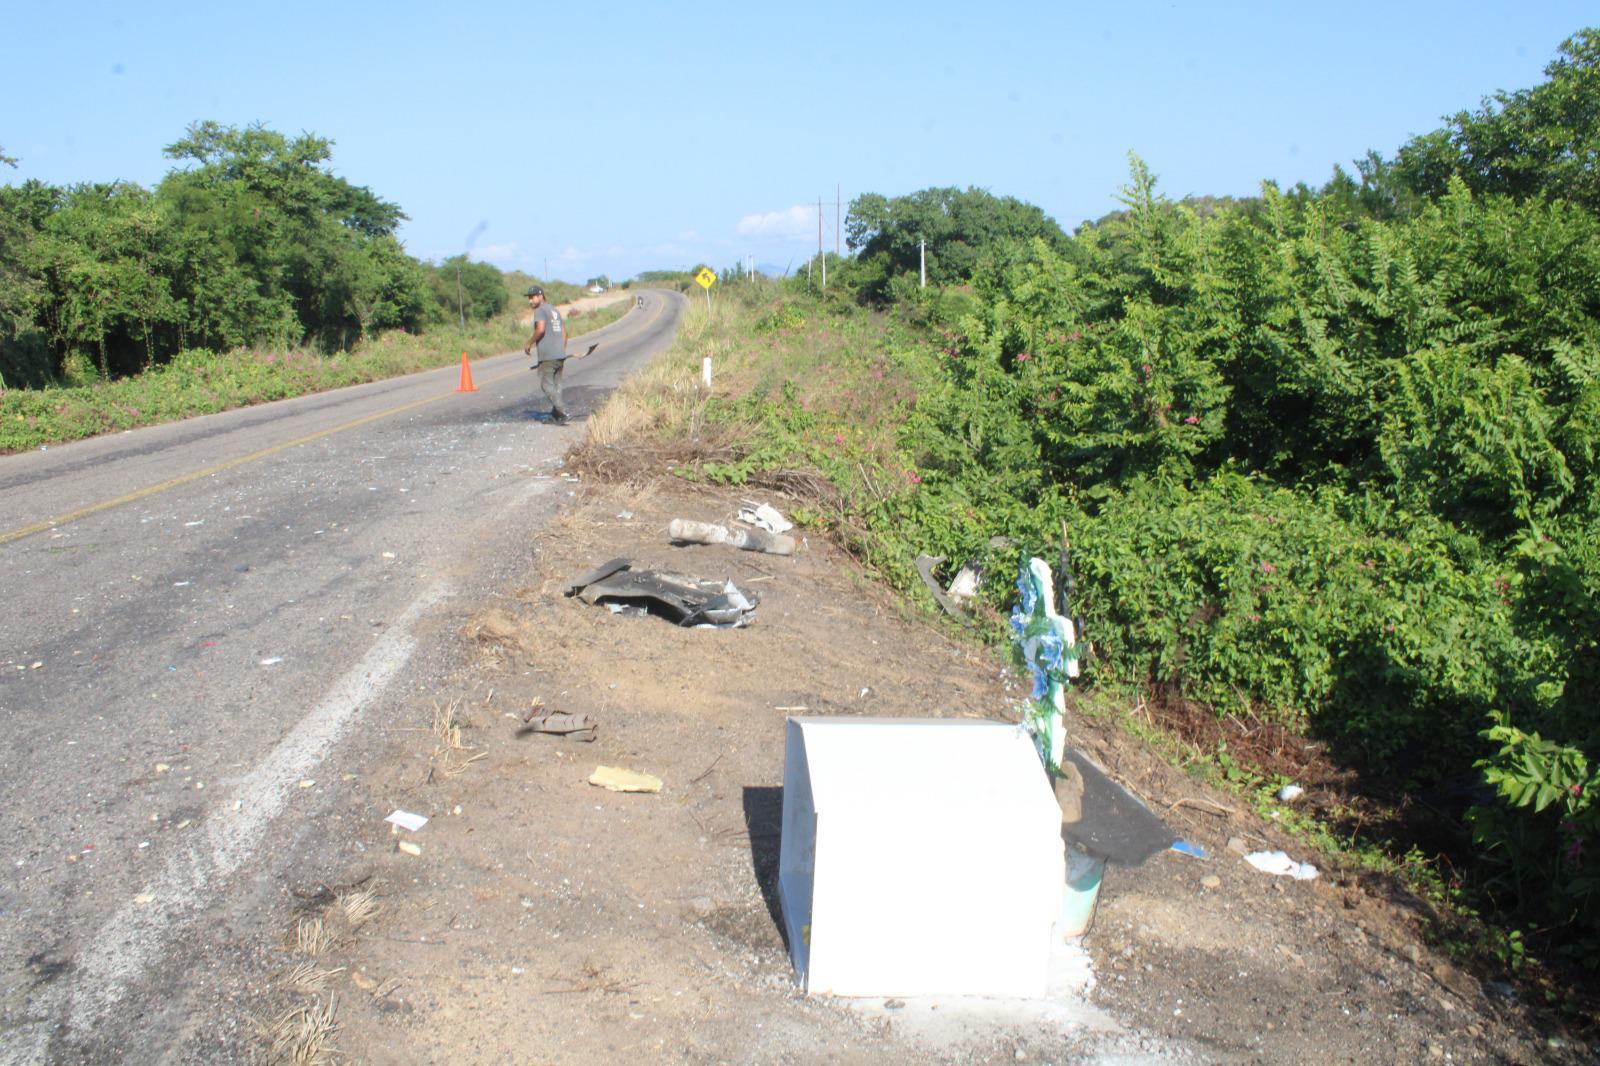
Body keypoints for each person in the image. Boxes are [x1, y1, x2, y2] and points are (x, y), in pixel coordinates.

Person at [523, 286, 569, 424]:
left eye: (533, 297)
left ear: (541, 296)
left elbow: (540, 329)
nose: (530, 300)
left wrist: (529, 343)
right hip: (559, 354)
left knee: (546, 384)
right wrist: (561, 349)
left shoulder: (540, 310)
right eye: (529, 298)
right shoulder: (554, 310)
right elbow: (564, 333)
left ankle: (561, 409)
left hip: (548, 355)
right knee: (556, 384)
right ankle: (556, 416)